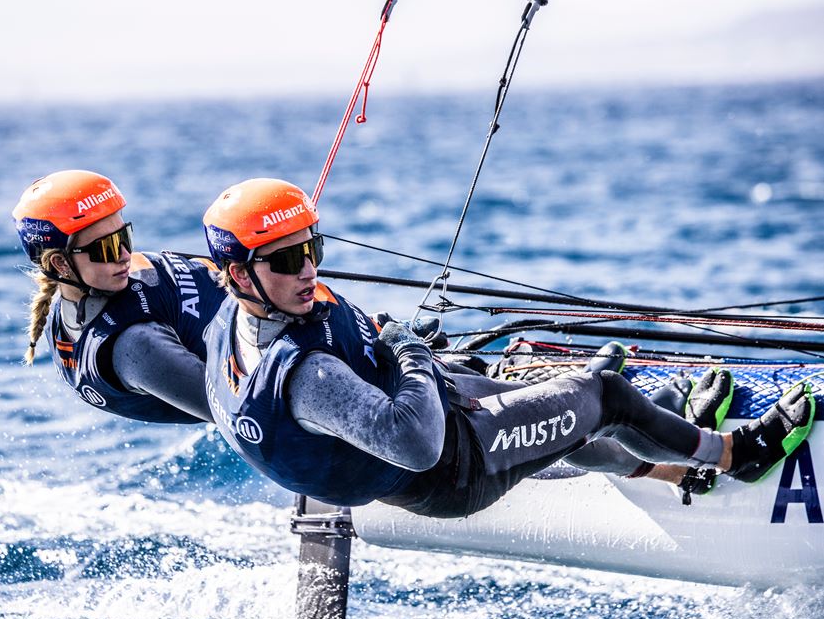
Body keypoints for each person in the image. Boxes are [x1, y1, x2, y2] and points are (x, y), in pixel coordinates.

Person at [200, 177, 817, 518]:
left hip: (438, 422)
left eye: (313, 248)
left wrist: (398, 354)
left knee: (566, 416)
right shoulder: (307, 376)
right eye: (285, 259)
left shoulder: (234, 325)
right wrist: (408, 351)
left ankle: (673, 464)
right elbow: (415, 444)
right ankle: (738, 453)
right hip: (455, 463)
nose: (308, 270)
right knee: (600, 394)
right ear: (235, 274)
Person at [12, 169, 228, 423]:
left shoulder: (69, 315)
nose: (125, 255)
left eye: (124, 237)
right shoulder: (136, 345)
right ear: (60, 263)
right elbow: (242, 418)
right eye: (108, 248)